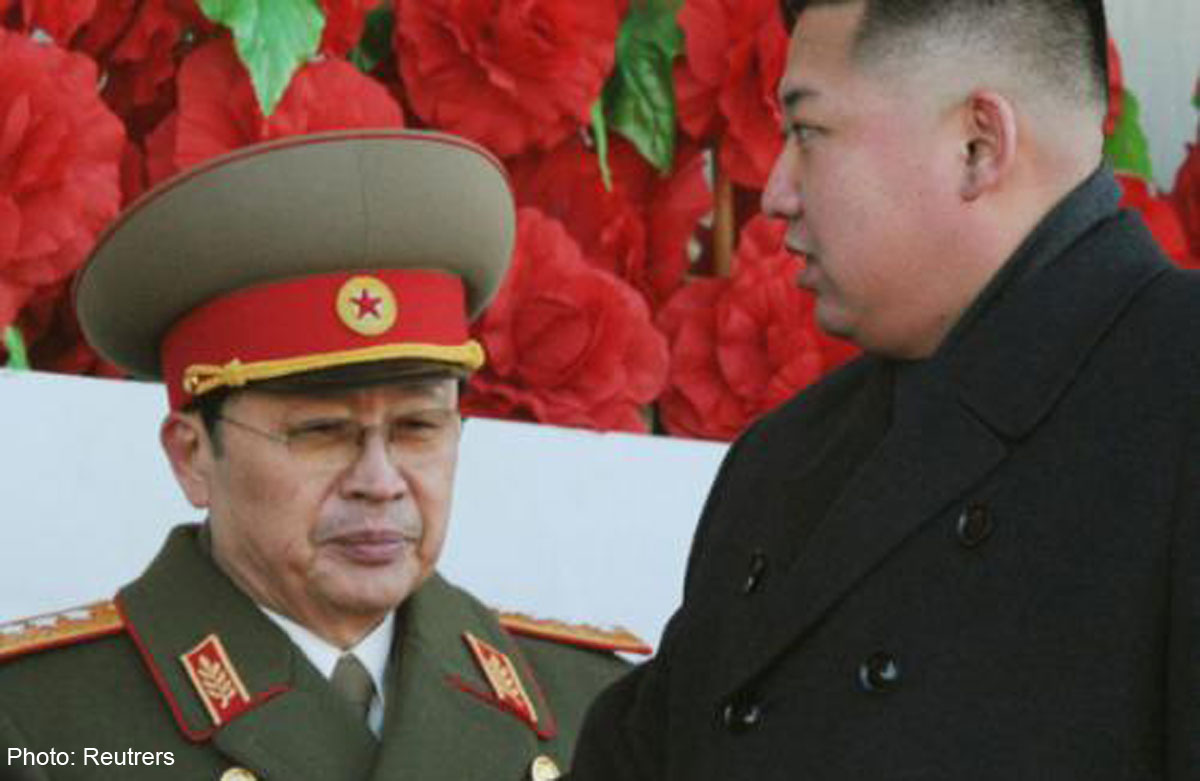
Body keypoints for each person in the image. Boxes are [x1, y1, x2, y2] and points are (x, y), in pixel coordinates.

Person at [567, 1, 1200, 778]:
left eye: (809, 132)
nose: (776, 190)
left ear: (977, 146)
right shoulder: (783, 458)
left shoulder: (1176, 393)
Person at [0, 129, 647, 781]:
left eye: (417, 427)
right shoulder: (40, 722)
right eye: (321, 433)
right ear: (192, 456)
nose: (380, 482)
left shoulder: (586, 701)